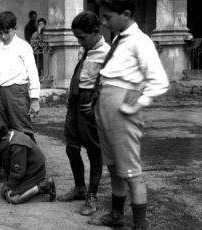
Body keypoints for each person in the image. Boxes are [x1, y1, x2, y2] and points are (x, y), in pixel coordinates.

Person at [88, 1, 169, 229]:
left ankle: (140, 225)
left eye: (107, 17)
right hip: (106, 105)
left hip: (123, 107)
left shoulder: (140, 41)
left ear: (125, 15)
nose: (103, 22)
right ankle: (116, 215)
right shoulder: (119, 38)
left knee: (131, 170)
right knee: (114, 166)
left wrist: (137, 104)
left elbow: (159, 81)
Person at [56, 11, 110, 217]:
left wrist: (97, 105)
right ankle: (79, 188)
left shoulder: (107, 53)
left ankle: (92, 196)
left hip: (90, 104)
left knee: (94, 151)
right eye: (77, 37)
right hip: (75, 103)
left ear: (96, 32)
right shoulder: (84, 49)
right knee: (71, 147)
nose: (79, 41)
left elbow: (111, 85)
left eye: (82, 37)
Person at [0, 11, 40, 183]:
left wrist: (35, 99)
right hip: (0, 92)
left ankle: (34, 168)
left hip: (18, 92)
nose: (3, 36)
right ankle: (0, 169)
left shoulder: (24, 46)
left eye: (6, 32)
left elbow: (33, 72)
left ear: (14, 29)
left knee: (22, 130)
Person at [0, 122, 56, 204]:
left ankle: (44, 185)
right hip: (26, 170)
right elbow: (7, 165)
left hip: (34, 172)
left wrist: (9, 186)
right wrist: (7, 183)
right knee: (4, 191)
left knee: (13, 198)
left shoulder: (17, 146)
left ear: (3, 139)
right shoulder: (9, 138)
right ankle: (32, 188)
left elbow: (18, 172)